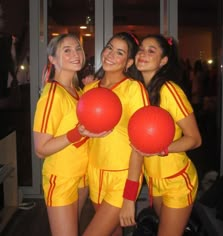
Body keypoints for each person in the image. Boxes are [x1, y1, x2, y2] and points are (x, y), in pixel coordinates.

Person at [33, 33, 107, 236]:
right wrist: (76, 133)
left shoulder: (78, 92)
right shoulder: (52, 95)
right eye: (67, 50)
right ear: (52, 59)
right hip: (62, 178)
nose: (76, 54)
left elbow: (84, 131)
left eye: (78, 49)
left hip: (81, 177)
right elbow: (40, 149)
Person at [82, 32, 149, 236]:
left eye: (119, 52)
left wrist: (130, 197)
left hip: (122, 176)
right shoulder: (90, 89)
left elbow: (141, 144)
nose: (110, 54)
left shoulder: (134, 89)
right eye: (109, 47)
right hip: (94, 173)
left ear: (128, 62)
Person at [134, 34, 202, 236]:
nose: (143, 54)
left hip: (176, 180)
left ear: (163, 61)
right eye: (141, 49)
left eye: (151, 50)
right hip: (155, 181)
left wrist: (163, 149)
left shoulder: (169, 90)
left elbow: (195, 139)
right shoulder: (139, 91)